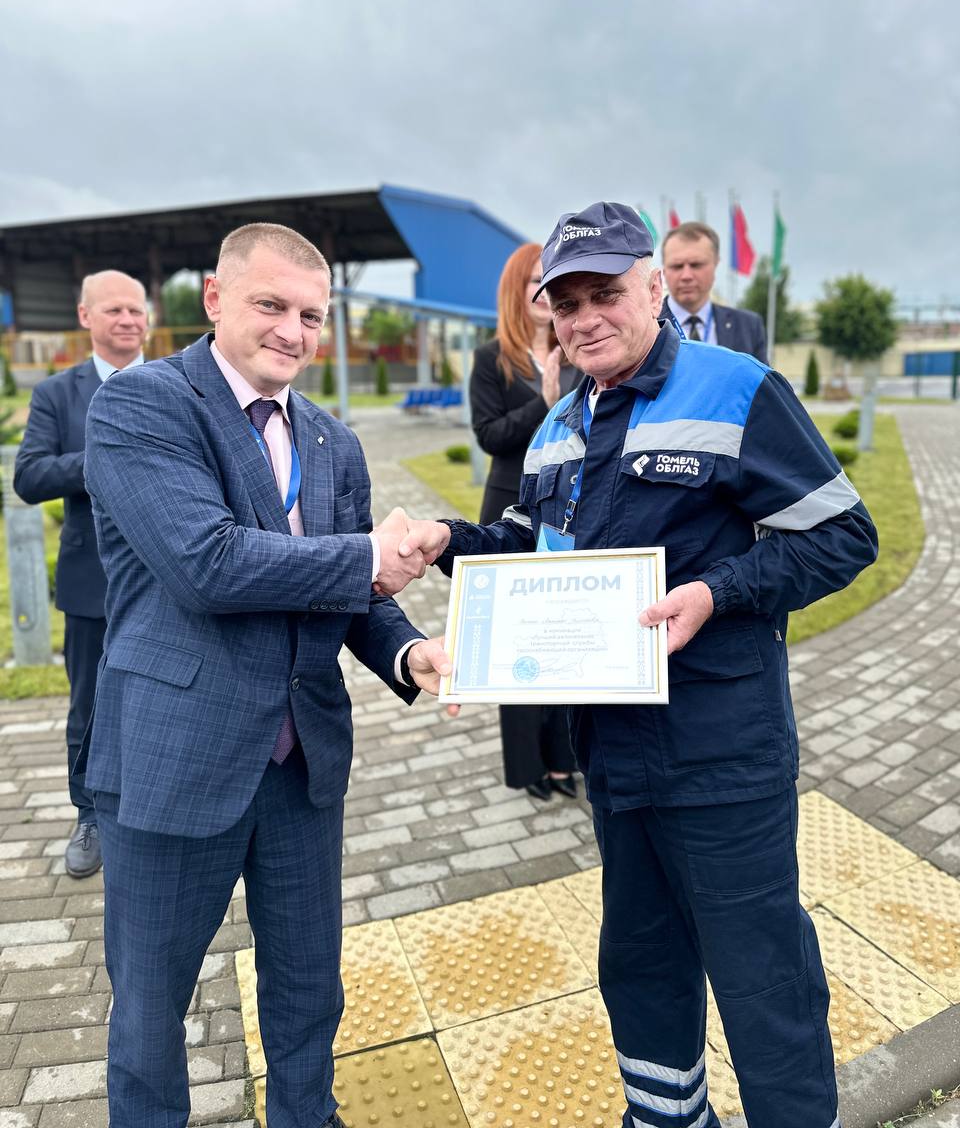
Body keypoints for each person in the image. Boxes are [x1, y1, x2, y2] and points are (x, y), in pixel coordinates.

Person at [399, 201, 878, 1128]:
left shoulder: (735, 388)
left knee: (761, 973)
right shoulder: (558, 423)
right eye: (566, 302)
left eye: (606, 294)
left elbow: (844, 536)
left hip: (720, 751)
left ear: (655, 288)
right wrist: (448, 540)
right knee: (641, 962)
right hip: (612, 753)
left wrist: (718, 593)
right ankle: (665, 1117)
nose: (585, 319)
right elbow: (535, 545)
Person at [82, 223, 448, 1128]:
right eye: (271, 305)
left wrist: (408, 651)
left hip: (299, 767)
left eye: (312, 316)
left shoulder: (334, 442)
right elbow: (206, 564)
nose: (293, 330)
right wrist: (368, 557)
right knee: (151, 1010)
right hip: (175, 761)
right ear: (215, 299)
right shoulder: (144, 405)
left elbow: (352, 596)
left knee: (309, 989)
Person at [14, 269, 148, 878]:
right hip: (91, 580)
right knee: (88, 706)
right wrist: (104, 456)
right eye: (114, 310)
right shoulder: (56, 395)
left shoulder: (178, 383)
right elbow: (30, 476)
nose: (128, 320)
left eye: (136, 310)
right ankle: (90, 815)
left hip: (169, 577)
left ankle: (152, 807)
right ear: (86, 316)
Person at [470, 241, 581, 801]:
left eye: (549, 279)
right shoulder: (492, 358)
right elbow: (489, 435)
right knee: (516, 641)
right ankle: (527, 765)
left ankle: (564, 758)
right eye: (533, 280)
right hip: (508, 506)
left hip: (567, 507)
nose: (542, 290)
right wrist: (545, 400)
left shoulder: (579, 349)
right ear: (515, 290)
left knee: (563, 632)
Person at [661, 221, 768, 362]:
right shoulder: (646, 326)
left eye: (696, 265)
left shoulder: (748, 327)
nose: (686, 276)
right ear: (664, 270)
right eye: (677, 266)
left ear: (716, 264)